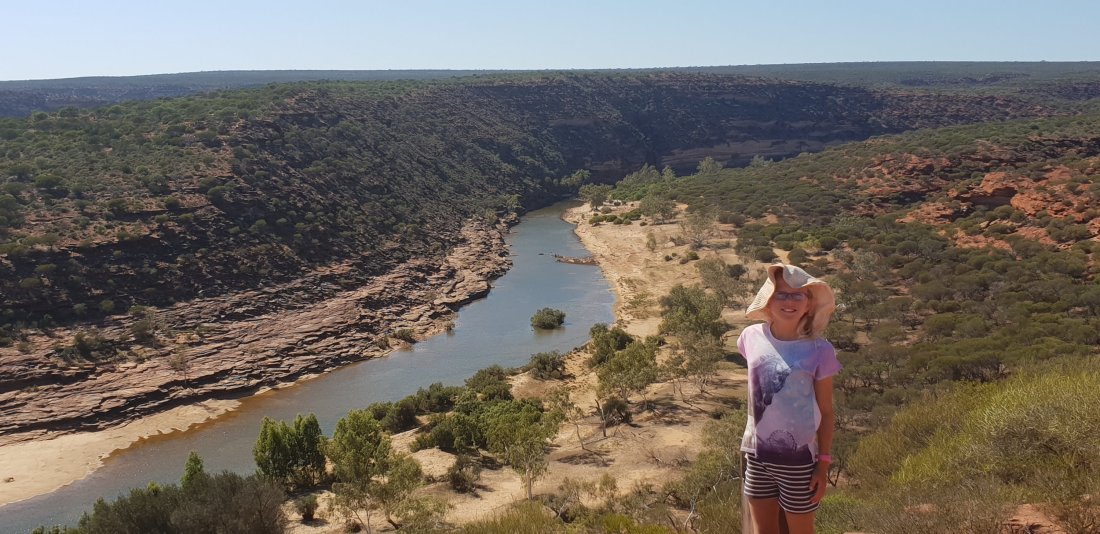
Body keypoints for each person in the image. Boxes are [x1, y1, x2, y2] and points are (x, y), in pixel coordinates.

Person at [739, 264, 839, 534]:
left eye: (798, 295)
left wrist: (823, 464)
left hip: (799, 462)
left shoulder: (820, 350)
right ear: (768, 301)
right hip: (757, 456)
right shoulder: (750, 337)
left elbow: (827, 412)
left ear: (808, 305)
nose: (789, 301)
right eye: (781, 294)